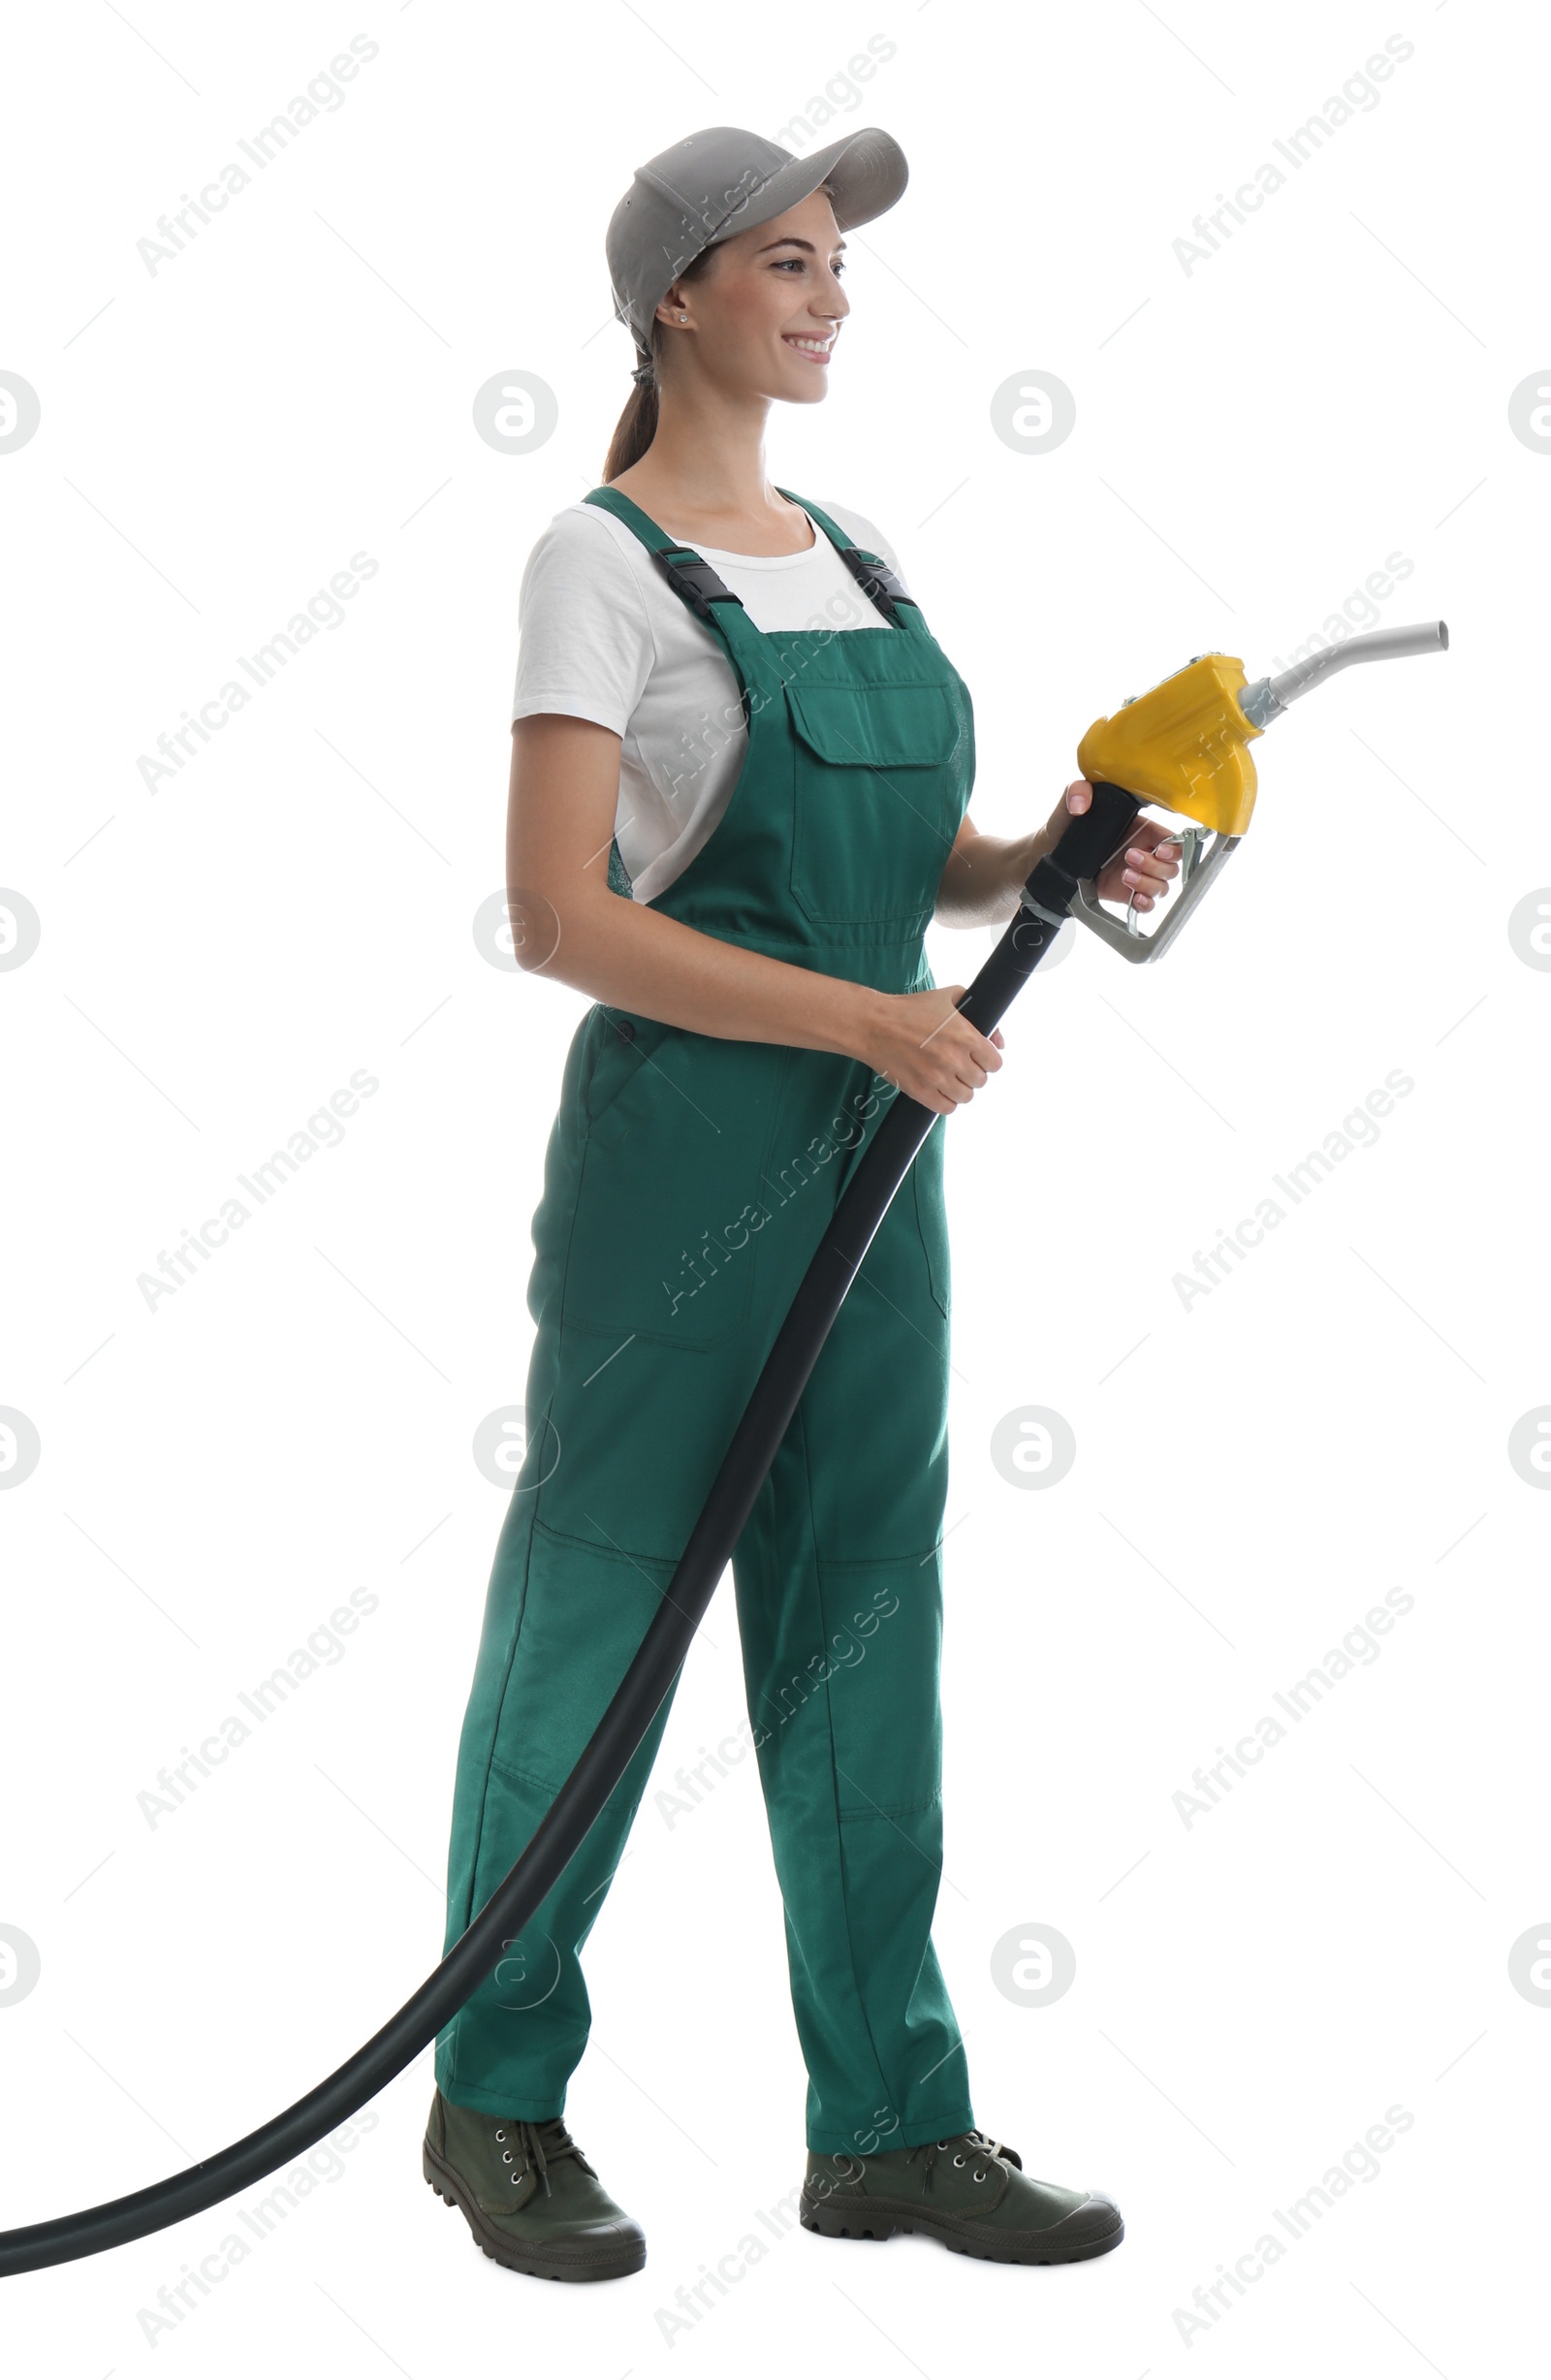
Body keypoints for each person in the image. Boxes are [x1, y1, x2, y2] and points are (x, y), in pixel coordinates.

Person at [422, 124, 1182, 2282]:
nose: (831, 295)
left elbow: (899, 872)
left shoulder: (849, 545)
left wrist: (1034, 856)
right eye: (786, 261)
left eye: (838, 263)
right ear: (676, 297)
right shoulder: (597, 559)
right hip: (691, 1168)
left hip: (877, 1167)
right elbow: (559, 914)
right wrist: (864, 1029)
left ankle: (888, 2127)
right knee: (597, 1628)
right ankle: (492, 2105)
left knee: (864, 1625)